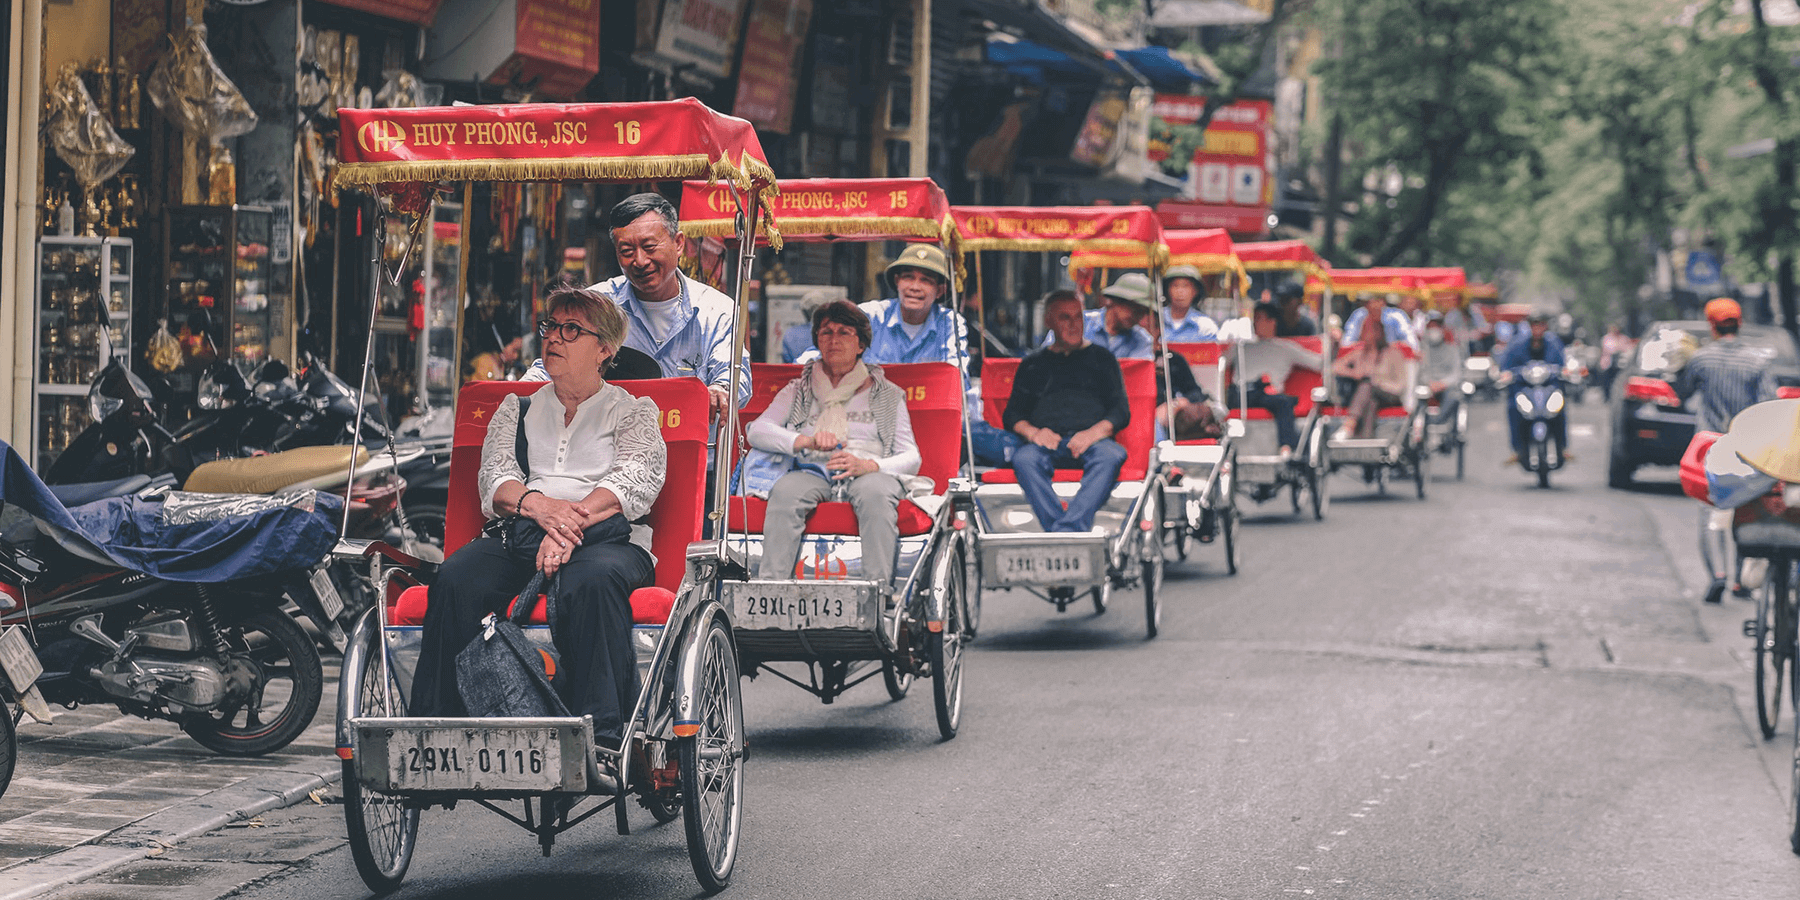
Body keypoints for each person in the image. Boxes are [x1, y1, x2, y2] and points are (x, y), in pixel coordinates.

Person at [410, 286, 663, 755]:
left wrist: (569, 527)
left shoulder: (632, 410)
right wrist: (542, 511)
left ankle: (600, 737)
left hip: (608, 539)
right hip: (524, 529)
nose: (554, 339)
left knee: (593, 583)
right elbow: (496, 480)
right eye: (551, 327)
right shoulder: (518, 406)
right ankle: (438, 730)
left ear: (604, 349)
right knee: (455, 579)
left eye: (572, 330)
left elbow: (634, 481)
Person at [525, 193, 749, 418]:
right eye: (627, 252)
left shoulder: (718, 311)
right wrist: (516, 392)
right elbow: (550, 367)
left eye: (650, 247)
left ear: (679, 244)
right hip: (612, 447)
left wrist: (721, 391)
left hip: (692, 447)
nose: (640, 261)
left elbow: (734, 374)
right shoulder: (594, 305)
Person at [750, 301, 919, 586]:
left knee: (876, 495)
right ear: (816, 339)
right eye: (826, 332)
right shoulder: (800, 388)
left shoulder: (887, 394)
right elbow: (757, 430)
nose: (834, 340)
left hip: (871, 472)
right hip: (813, 470)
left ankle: (876, 592)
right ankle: (771, 590)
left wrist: (869, 465)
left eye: (844, 332)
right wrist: (804, 440)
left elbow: (912, 457)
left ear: (861, 344)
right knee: (785, 491)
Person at [1677, 298, 1779, 604]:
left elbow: (1682, 392)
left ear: (1711, 325)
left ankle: (1718, 576)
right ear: (1740, 322)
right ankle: (1742, 582)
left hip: (1709, 446)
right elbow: (1769, 405)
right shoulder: (1757, 361)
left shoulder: (1701, 359)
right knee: (1747, 511)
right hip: (1747, 447)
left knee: (1712, 510)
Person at [1007, 292, 1131, 533]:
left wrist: (1092, 434)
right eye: (1065, 318)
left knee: (1112, 456)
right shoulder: (1032, 364)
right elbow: (1012, 414)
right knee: (1024, 459)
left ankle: (1067, 530)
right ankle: (1062, 530)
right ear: (1049, 322)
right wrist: (1034, 433)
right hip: (1046, 441)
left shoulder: (1102, 359)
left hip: (1093, 441)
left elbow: (1120, 411)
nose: (1074, 325)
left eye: (1078, 318)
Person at [1224, 301, 1323, 456]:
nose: (1255, 323)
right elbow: (1219, 361)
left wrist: (1334, 343)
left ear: (1272, 321)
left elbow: (1319, 363)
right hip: (1240, 393)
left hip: (1267, 394)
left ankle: (1286, 448)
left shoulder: (1286, 347)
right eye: (1254, 319)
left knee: (1284, 402)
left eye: (1259, 319)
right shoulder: (1241, 347)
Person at [1498, 312, 1567, 465]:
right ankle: (1517, 449)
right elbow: (1506, 366)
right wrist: (1506, 375)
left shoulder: (1553, 343)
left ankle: (1562, 447)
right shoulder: (1517, 344)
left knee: (1560, 406)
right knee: (1513, 408)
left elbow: (1563, 365)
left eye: (1540, 325)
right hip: (1524, 389)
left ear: (1545, 326)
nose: (1537, 329)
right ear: (1530, 327)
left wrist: (1565, 372)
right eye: (1534, 325)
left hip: (1548, 389)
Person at [1142, 312, 1219, 443]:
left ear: (1158, 331)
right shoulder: (1125, 358)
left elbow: (1195, 393)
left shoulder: (1173, 360)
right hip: (1140, 415)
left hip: (1173, 419)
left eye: (1146, 328)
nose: (1141, 333)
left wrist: (1176, 405)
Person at [1333, 311, 1409, 440]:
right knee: (1371, 402)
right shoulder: (1359, 354)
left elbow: (1400, 385)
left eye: (1369, 330)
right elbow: (1335, 367)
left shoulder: (1393, 353)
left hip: (1390, 395)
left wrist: (1377, 383)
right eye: (1364, 330)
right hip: (1370, 397)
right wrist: (1354, 373)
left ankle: (1349, 425)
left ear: (1379, 332)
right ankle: (1366, 443)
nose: (1366, 334)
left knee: (1367, 385)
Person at [1044, 272, 1155, 359]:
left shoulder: (1142, 340)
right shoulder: (1078, 323)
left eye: (1142, 312)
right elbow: (1047, 358)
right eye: (1134, 309)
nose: (1138, 316)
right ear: (1113, 301)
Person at [1161, 266, 1219, 343]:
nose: (1180, 291)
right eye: (1175, 286)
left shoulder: (1205, 325)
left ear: (1195, 291)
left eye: (1185, 286)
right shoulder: (1156, 319)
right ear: (1167, 290)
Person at [1340, 293, 1419, 349]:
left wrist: (1393, 347)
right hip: (1366, 360)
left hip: (1392, 360)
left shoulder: (1397, 316)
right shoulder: (1359, 315)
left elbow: (1412, 345)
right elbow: (1346, 343)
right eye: (1369, 300)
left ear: (1384, 301)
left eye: (1378, 299)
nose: (1374, 303)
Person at [780, 289, 834, 363]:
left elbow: (787, 364)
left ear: (804, 312)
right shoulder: (833, 332)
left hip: (798, 373)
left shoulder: (789, 334)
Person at [1599, 323, 1631, 402]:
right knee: (1607, 382)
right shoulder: (1606, 338)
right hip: (1608, 364)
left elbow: (1627, 349)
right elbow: (1608, 349)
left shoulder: (1624, 338)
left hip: (1620, 364)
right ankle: (1607, 397)